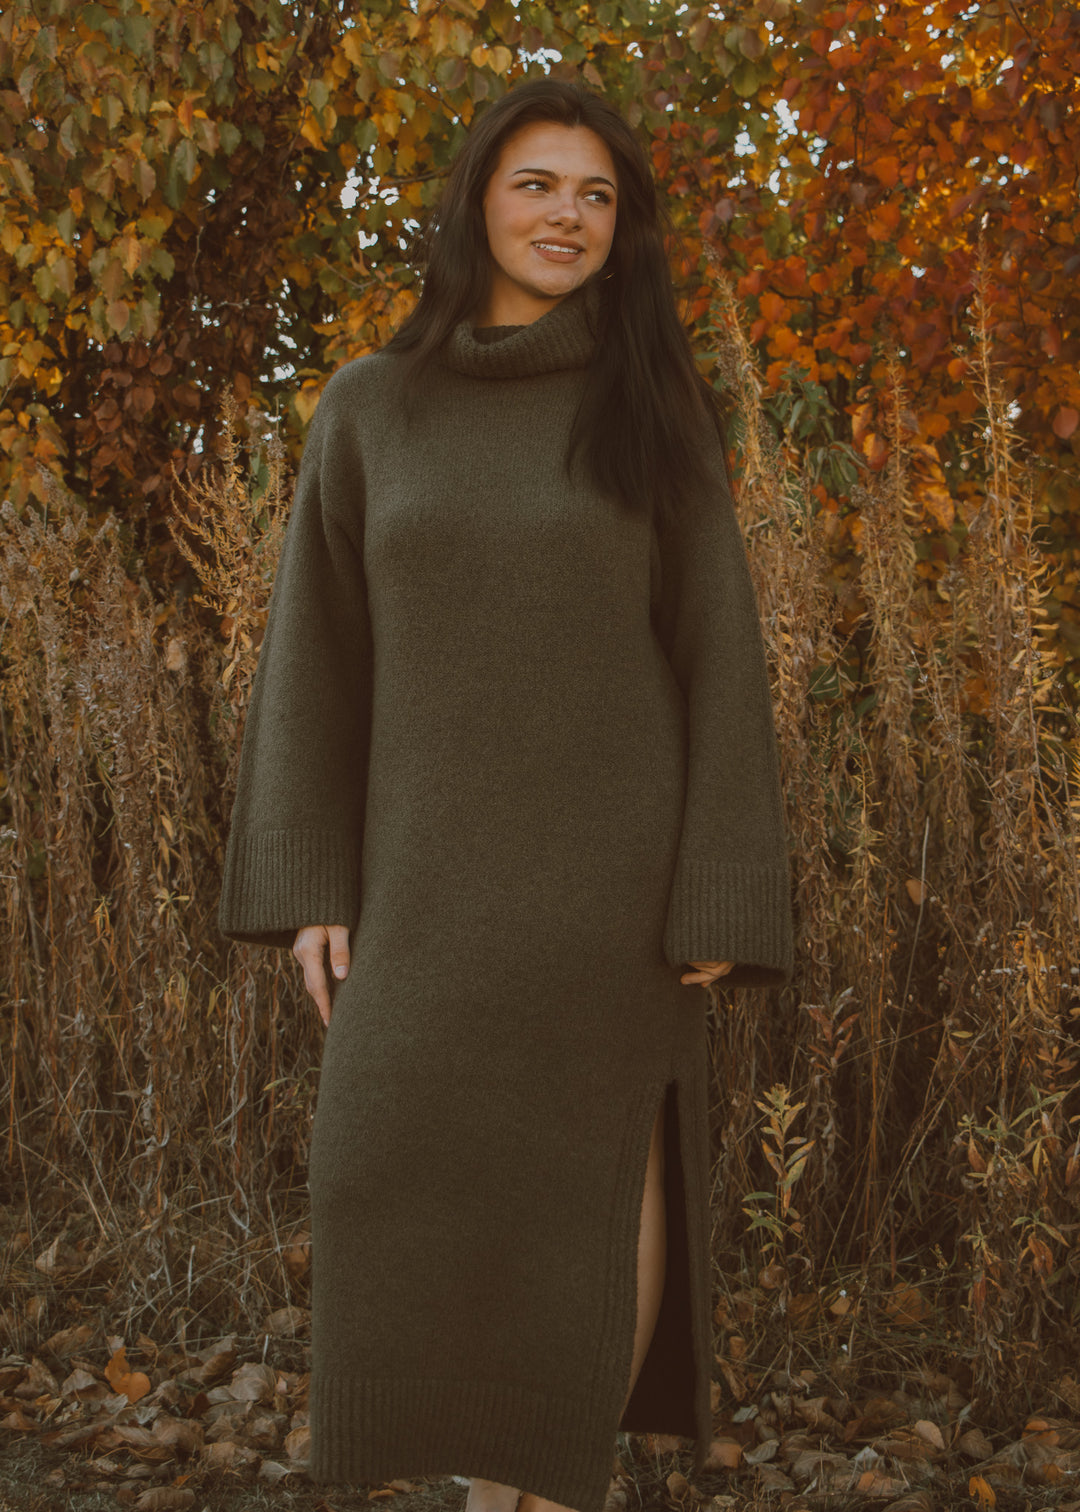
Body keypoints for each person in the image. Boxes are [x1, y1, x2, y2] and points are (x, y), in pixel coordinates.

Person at [218, 76, 793, 1512]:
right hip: (422, 885)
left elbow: (720, 653)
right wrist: (310, 892)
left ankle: (542, 1493)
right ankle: (483, 1481)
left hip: (612, 890)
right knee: (380, 1178)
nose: (569, 216)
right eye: (540, 184)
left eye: (598, 195)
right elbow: (319, 657)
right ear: (479, 198)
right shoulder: (371, 409)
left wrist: (716, 884)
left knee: (593, 1205)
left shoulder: (650, 408)